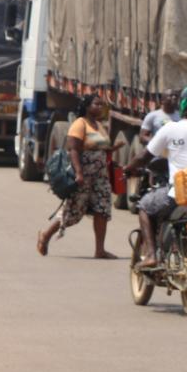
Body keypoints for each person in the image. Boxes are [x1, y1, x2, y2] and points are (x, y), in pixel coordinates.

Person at [126, 84, 187, 269]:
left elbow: (144, 156)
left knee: (145, 207)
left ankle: (150, 255)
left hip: (179, 196)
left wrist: (128, 169)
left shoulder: (171, 129)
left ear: (184, 105)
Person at [36, 94, 125, 259]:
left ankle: (100, 250)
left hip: (100, 175)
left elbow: (102, 148)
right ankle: (45, 235)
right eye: (96, 104)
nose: (100, 107)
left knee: (102, 209)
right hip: (84, 173)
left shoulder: (99, 125)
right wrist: (78, 173)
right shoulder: (79, 124)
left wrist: (114, 148)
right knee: (73, 210)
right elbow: (73, 149)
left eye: (101, 105)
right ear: (87, 106)